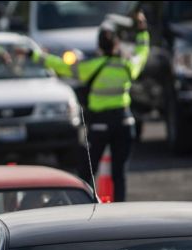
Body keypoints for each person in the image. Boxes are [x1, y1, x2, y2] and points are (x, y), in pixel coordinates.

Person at [29, 11, 149, 202]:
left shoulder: (92, 66)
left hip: (99, 124)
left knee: (87, 171)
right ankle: (121, 211)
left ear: (100, 47)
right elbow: (142, 54)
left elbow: (61, 66)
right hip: (124, 122)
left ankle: (87, 206)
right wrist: (142, 31)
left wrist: (34, 55)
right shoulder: (127, 66)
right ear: (116, 45)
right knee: (119, 173)